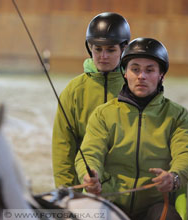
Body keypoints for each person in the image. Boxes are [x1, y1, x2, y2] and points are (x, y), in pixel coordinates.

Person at [75, 38, 188, 220]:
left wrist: (174, 177)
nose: (141, 76)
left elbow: (187, 153)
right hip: (112, 202)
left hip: (156, 203)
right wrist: (90, 174)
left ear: (161, 75)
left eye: (150, 70)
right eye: (135, 69)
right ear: (125, 73)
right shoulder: (103, 114)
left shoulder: (178, 116)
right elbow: (90, 152)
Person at [52, 12, 131, 189]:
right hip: (86, 184)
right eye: (97, 49)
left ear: (124, 49)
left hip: (126, 188)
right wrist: (66, 190)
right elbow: (63, 145)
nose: (103, 56)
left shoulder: (135, 87)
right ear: (90, 48)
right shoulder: (74, 91)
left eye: (110, 50)